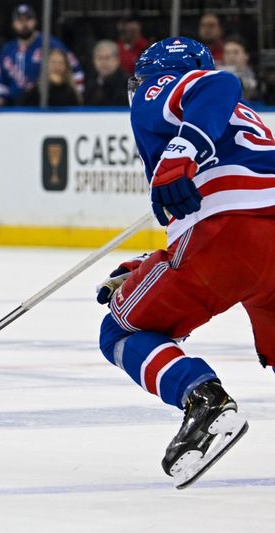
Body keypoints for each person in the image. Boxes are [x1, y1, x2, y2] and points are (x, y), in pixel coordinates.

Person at [95, 36, 275, 488]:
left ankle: (203, 399)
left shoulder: (165, 91)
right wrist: (145, 265)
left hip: (234, 236)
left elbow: (220, 84)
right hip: (253, 236)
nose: (138, 90)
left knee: (120, 330)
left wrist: (183, 147)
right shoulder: (241, 119)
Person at [0, 3, 83, 107]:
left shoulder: (50, 44)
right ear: (13, 23)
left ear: (35, 21)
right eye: (20, 20)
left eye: (28, 19)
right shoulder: (7, 49)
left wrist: (76, 96)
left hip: (42, 107)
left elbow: (76, 71)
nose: (24, 24)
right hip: (13, 109)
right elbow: (0, 81)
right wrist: (0, 98)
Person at [84, 40, 129, 106]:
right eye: (100, 58)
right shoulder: (89, 82)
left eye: (107, 58)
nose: (103, 62)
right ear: (94, 61)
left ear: (117, 60)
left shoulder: (127, 82)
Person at [219, 36, 258, 102]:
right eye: (227, 53)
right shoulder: (215, 74)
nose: (231, 56)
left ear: (246, 55)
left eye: (236, 52)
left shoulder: (258, 76)